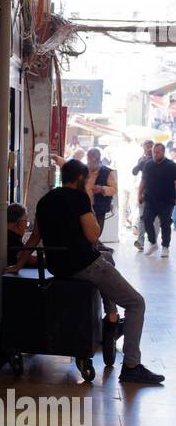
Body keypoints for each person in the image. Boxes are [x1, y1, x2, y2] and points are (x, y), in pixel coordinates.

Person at [18, 159, 162, 384]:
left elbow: (35, 237)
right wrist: (87, 200)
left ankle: (111, 315)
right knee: (136, 303)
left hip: (59, 266)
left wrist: (18, 265)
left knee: (107, 258)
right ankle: (132, 365)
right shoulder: (79, 198)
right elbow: (93, 236)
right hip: (83, 265)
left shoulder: (45, 200)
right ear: (79, 179)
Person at [138, 143, 176, 256]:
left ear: (163, 152)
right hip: (150, 199)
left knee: (165, 223)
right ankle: (153, 243)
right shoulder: (148, 164)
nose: (155, 154)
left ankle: (165, 246)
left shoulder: (171, 165)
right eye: (154, 152)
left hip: (166, 200)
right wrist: (139, 194)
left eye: (158, 152)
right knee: (146, 219)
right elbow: (143, 180)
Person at [86, 147, 117, 240]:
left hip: (99, 208)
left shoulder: (107, 172)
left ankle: (93, 251)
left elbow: (114, 189)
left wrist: (102, 189)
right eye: (90, 157)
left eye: (94, 157)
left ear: (99, 158)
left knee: (96, 234)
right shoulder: (82, 170)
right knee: (85, 234)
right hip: (84, 207)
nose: (92, 160)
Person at [132, 141, 155, 249]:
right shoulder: (142, 160)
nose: (148, 150)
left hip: (157, 194)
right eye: (146, 148)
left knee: (156, 219)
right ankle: (140, 242)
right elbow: (134, 172)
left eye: (150, 147)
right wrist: (141, 162)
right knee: (142, 217)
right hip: (144, 192)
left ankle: (153, 241)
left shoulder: (159, 159)